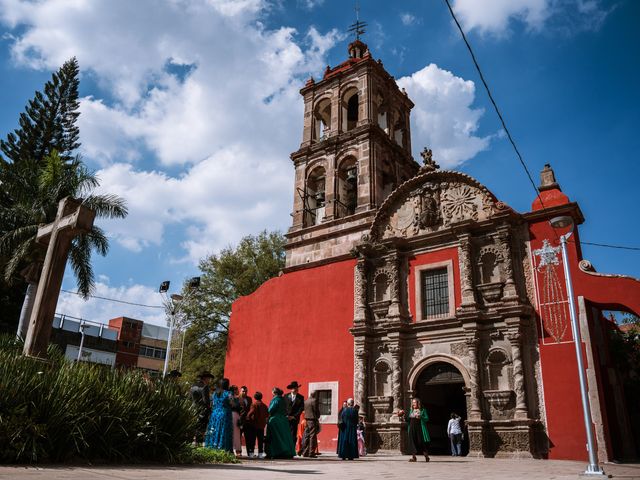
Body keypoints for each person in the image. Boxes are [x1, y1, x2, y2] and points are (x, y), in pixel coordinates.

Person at [265, 387, 296, 459]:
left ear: (274, 393)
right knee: (284, 437)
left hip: (275, 420)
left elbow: (271, 409)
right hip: (283, 420)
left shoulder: (275, 400)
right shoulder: (283, 399)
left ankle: (275, 452)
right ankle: (287, 452)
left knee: (274, 437)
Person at [205, 378, 233, 451]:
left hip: (215, 414)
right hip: (224, 414)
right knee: (223, 430)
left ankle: (212, 447)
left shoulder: (214, 393)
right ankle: (223, 448)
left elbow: (212, 403)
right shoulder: (229, 393)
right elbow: (232, 404)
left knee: (214, 429)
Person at [401, 397, 430, 462]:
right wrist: (403, 415)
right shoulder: (411, 410)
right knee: (412, 442)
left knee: (421, 442)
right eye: (412, 402)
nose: (413, 404)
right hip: (411, 428)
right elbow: (408, 419)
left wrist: (421, 417)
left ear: (418, 403)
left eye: (414, 402)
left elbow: (427, 418)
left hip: (420, 428)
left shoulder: (423, 410)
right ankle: (414, 457)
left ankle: (426, 456)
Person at [190, 371, 214, 445]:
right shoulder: (204, 387)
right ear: (205, 378)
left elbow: (189, 398)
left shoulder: (193, 386)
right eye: (209, 378)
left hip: (193, 409)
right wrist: (209, 410)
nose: (209, 380)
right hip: (202, 411)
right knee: (201, 429)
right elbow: (206, 401)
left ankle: (193, 444)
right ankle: (198, 445)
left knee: (194, 428)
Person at [245, 391, 269, 458]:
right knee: (260, 440)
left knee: (252, 440)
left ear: (255, 397)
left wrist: (248, 419)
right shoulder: (264, 406)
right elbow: (267, 415)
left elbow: (250, 413)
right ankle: (260, 454)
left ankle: (251, 454)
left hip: (254, 425)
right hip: (261, 425)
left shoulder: (254, 404)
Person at [283, 381, 305, 448]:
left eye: (297, 388)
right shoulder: (286, 396)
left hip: (295, 418)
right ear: (291, 389)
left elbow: (301, 408)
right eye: (294, 388)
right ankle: (286, 447)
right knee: (286, 433)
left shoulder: (301, 397)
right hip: (286, 418)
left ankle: (292, 448)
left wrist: (294, 416)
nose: (296, 389)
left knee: (293, 434)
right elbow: (283, 407)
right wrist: (286, 415)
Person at [301, 391, 319, 457]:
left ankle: (305, 452)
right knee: (312, 436)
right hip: (312, 419)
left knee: (306, 435)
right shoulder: (314, 401)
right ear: (314, 394)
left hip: (306, 419)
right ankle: (311, 452)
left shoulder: (306, 401)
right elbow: (316, 410)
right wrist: (317, 417)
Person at [239, 385, 253, 454]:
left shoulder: (249, 399)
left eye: (246, 391)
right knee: (239, 436)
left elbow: (251, 408)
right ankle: (239, 452)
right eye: (243, 391)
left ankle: (249, 452)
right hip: (240, 420)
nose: (244, 392)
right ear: (240, 391)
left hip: (247, 421)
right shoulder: (237, 398)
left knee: (248, 437)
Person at [229, 385, 242, 456]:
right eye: (237, 389)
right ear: (234, 390)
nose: (238, 391)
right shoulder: (233, 397)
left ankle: (236, 450)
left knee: (235, 433)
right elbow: (235, 406)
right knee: (235, 433)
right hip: (234, 415)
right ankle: (237, 450)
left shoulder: (234, 397)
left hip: (234, 415)